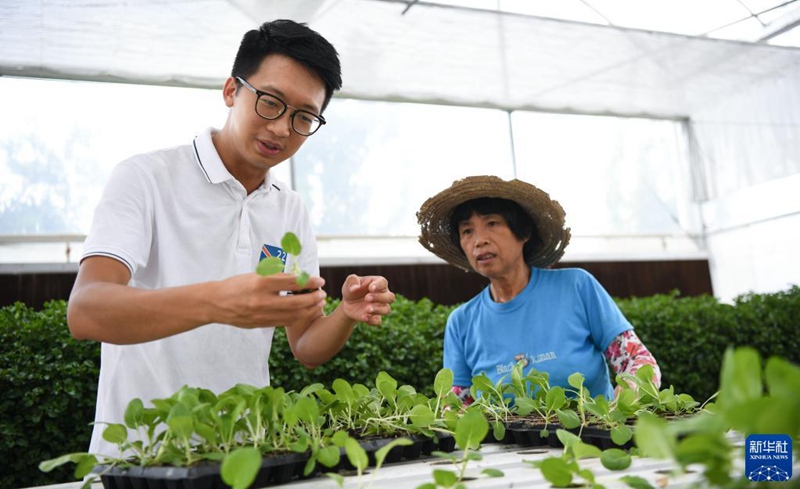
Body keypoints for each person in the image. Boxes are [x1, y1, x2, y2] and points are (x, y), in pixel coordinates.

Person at [68, 19, 396, 457]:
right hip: (141, 457)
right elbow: (87, 311)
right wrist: (220, 301)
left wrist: (345, 314)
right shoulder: (146, 177)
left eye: (304, 117)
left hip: (244, 454)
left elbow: (306, 346)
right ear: (231, 91)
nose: (282, 128)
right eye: (270, 103)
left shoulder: (289, 209)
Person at [416, 175, 660, 404]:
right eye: (467, 231)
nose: (479, 240)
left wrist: (629, 392)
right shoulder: (461, 322)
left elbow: (637, 359)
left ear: (523, 233)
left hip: (592, 441)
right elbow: (457, 404)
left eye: (492, 223)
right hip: (502, 449)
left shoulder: (577, 287)